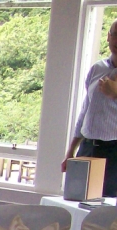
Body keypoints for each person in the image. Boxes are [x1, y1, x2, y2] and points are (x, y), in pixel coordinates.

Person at [64, 21, 117, 196]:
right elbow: (85, 110)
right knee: (76, 201)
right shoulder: (97, 68)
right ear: (109, 36)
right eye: (115, 34)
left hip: (113, 151)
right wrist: (71, 151)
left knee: (108, 213)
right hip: (87, 147)